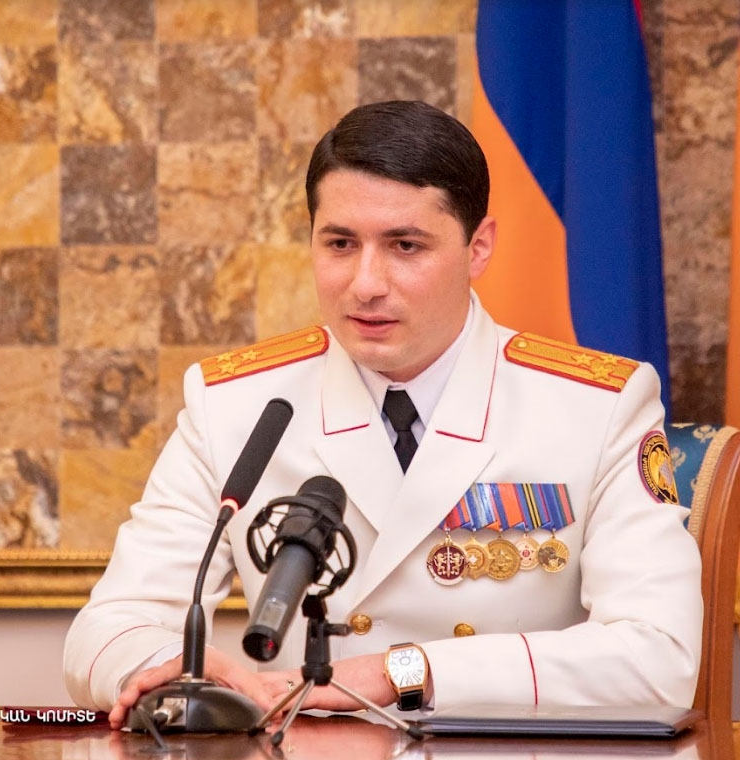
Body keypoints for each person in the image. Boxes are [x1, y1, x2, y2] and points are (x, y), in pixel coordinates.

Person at [63, 100, 703, 727]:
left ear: (479, 247)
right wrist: (170, 665)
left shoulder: (597, 406)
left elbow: (659, 659)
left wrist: (398, 672)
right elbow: (107, 628)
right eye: (341, 243)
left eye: (405, 245)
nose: (366, 284)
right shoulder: (236, 403)